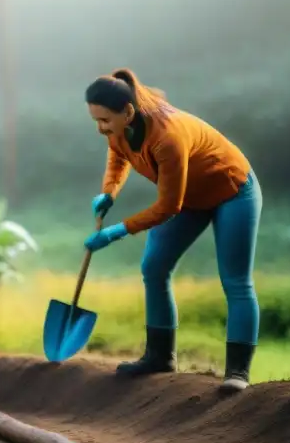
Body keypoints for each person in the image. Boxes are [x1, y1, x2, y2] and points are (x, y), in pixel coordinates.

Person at [83, 68, 262, 393]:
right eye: (95, 121)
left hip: (233, 190)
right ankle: (160, 356)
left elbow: (168, 206)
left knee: (235, 280)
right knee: (154, 266)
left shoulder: (167, 136)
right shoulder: (118, 129)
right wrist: (109, 192)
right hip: (191, 197)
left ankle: (237, 372)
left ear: (128, 112)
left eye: (104, 121)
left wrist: (117, 231)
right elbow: (117, 155)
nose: (100, 129)